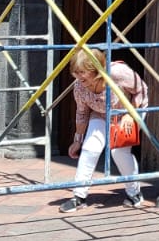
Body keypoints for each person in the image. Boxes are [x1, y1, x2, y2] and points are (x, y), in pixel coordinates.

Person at [59, 47, 152, 213]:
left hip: (128, 110)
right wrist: (77, 139)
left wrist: (131, 114)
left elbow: (141, 89)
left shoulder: (117, 72)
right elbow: (82, 112)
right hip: (101, 112)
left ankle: (134, 193)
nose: (79, 78)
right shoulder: (79, 86)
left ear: (95, 70)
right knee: (90, 149)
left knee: (119, 152)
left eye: (83, 74)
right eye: (76, 74)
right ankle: (79, 196)